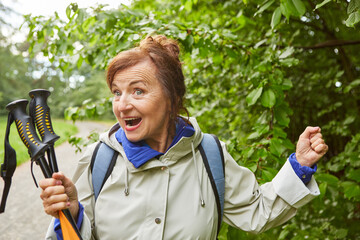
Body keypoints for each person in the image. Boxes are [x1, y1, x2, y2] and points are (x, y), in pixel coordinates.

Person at [40, 35, 328, 240]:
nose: (122, 104)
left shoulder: (210, 154)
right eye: (117, 92)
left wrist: (300, 165)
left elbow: (258, 211)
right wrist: (73, 212)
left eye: (138, 90)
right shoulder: (97, 160)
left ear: (173, 97)